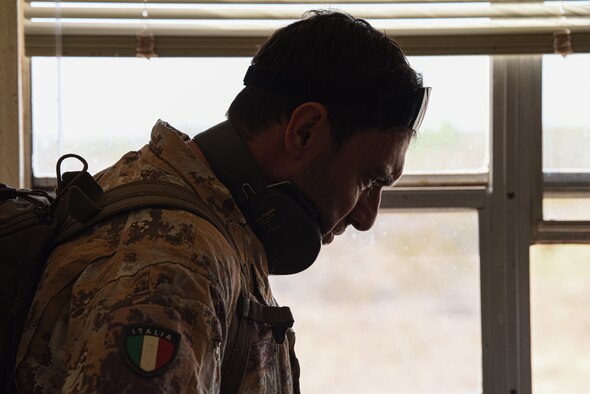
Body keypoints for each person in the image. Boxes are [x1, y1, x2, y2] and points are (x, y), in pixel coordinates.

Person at [16, 10, 429, 393]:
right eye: (369, 179)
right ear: (305, 131)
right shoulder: (171, 264)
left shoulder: (216, 222)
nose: (367, 217)